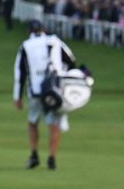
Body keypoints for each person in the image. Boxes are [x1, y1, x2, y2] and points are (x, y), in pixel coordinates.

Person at [13, 18, 78, 170]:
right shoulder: (55, 42)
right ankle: (52, 158)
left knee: (33, 121)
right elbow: (71, 61)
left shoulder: (26, 46)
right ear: (43, 29)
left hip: (35, 91)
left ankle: (34, 154)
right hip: (53, 91)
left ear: (29, 31)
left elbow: (20, 73)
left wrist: (17, 96)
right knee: (53, 124)